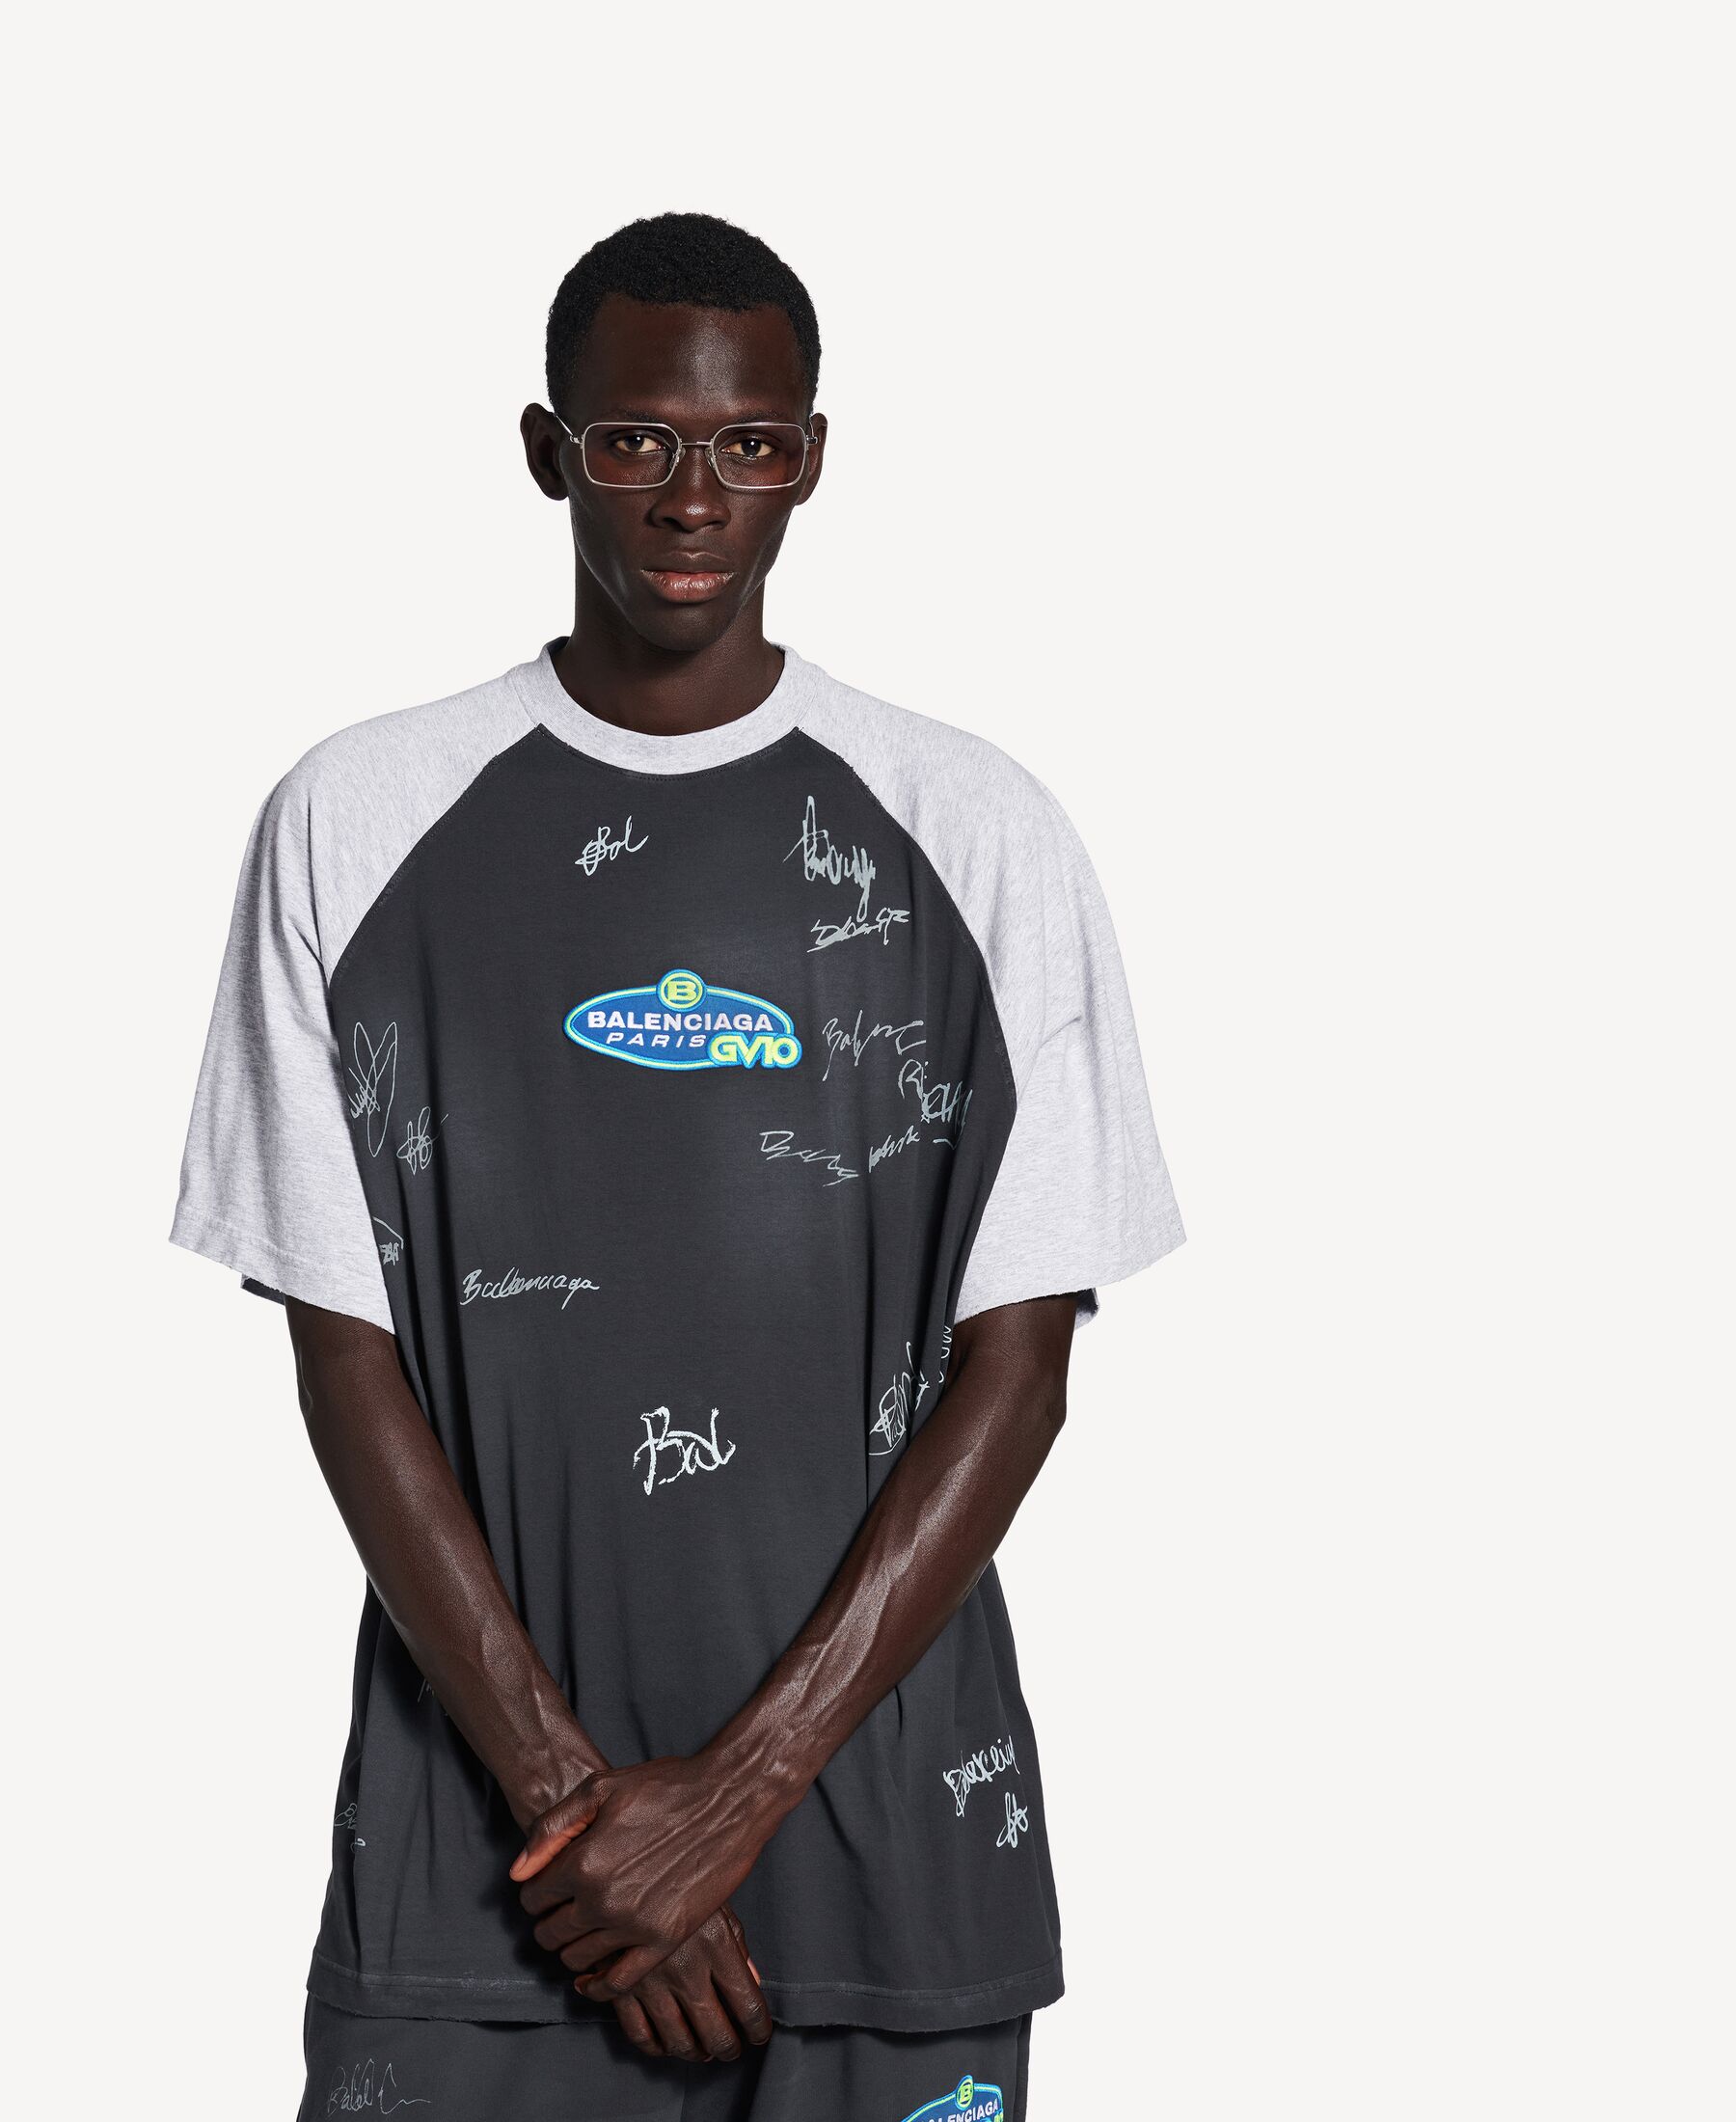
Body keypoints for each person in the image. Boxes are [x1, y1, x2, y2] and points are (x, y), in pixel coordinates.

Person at [172, 210, 1182, 2122]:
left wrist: (734, 1794)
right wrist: (580, 1816)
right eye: (634, 438)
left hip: (890, 1855)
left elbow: (1023, 1364)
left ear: (811, 456)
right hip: (484, 1882)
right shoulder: (355, 818)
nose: (692, 495)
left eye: (748, 443)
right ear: (547, 449)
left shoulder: (978, 830)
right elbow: (342, 1358)